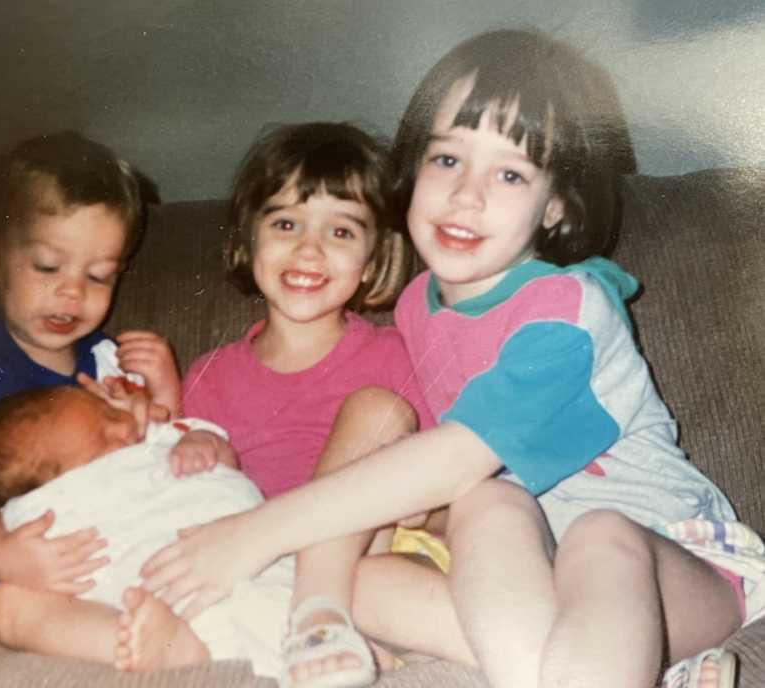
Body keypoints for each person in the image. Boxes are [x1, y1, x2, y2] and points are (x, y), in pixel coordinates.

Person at [139, 30, 765, 688]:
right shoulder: (416, 307)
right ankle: (609, 671)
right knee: (380, 575)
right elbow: (445, 486)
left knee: (598, 536)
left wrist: (257, 533)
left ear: (556, 205)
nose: (467, 195)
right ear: (413, 167)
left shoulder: (566, 311)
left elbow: (457, 457)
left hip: (671, 566)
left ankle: (632, 655)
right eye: (447, 161)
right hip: (531, 579)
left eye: (509, 173)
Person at [169, 121, 467, 686]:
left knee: (376, 409)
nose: (309, 249)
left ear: (375, 259)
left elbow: (457, 490)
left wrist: (423, 506)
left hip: (376, 562)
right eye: (285, 223)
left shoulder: (397, 356)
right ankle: (325, 631)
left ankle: (326, 619)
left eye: (341, 232)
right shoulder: (206, 377)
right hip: (260, 577)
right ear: (246, 240)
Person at [0, 131, 180, 665]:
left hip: (136, 549)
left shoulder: (110, 359)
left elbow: (164, 453)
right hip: (44, 578)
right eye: (48, 267)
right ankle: (155, 652)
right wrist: (0, 554)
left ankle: (177, 635)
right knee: (6, 612)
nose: (73, 292)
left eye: (98, 276)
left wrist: (163, 394)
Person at [0, 384, 294, 677]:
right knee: (8, 603)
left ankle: (177, 647)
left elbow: (224, 460)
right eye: (104, 437)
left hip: (253, 562)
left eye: (110, 413)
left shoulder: (160, 439)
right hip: (160, 604)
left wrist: (201, 442)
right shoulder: (35, 515)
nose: (124, 426)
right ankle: (141, 644)